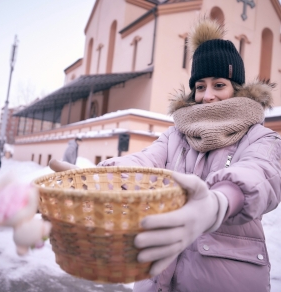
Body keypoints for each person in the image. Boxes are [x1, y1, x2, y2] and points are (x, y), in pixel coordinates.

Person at [50, 18, 281, 292]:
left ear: (237, 89)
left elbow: (261, 173)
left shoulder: (258, 137)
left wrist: (220, 202)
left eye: (219, 85)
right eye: (200, 86)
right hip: (159, 277)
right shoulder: (176, 136)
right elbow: (142, 163)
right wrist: (98, 178)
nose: (208, 96)